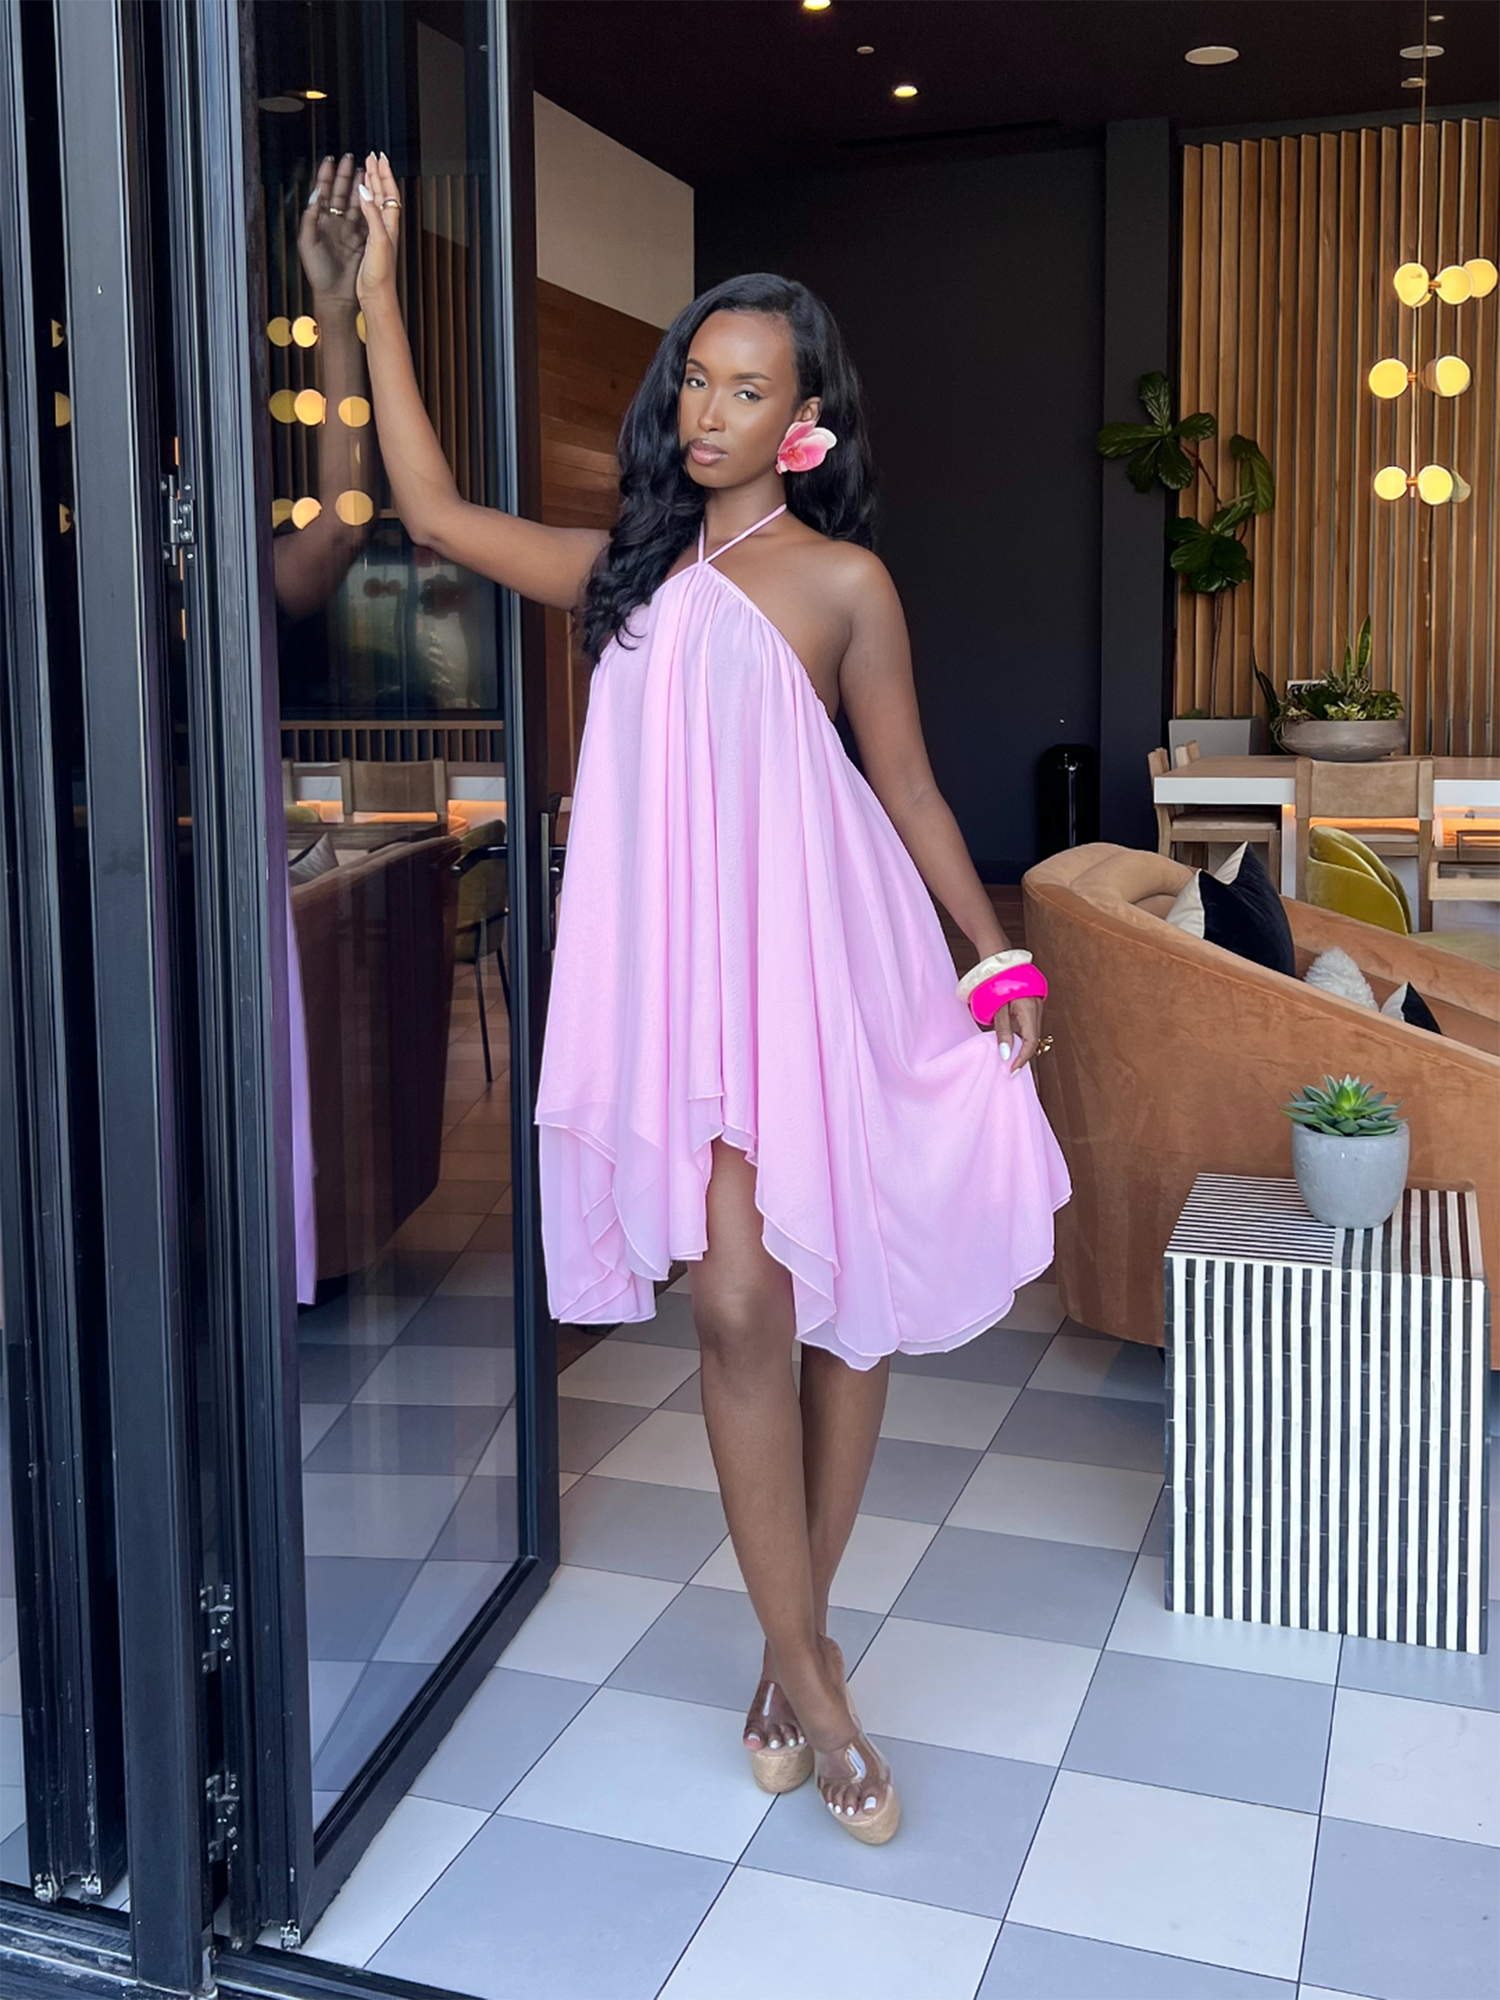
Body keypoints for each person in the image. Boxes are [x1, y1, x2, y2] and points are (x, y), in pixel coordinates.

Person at [352, 152, 1069, 1844]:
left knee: (842, 1297)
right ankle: (815, 1675)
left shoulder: (842, 587)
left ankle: (788, 1659)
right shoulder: (622, 575)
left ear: (806, 422)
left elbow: (906, 794)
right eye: (697, 380)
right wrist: (378, 296)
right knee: (741, 1303)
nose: (710, 407)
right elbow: (438, 516)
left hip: (828, 978)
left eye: (750, 389)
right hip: (688, 1002)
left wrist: (994, 955)